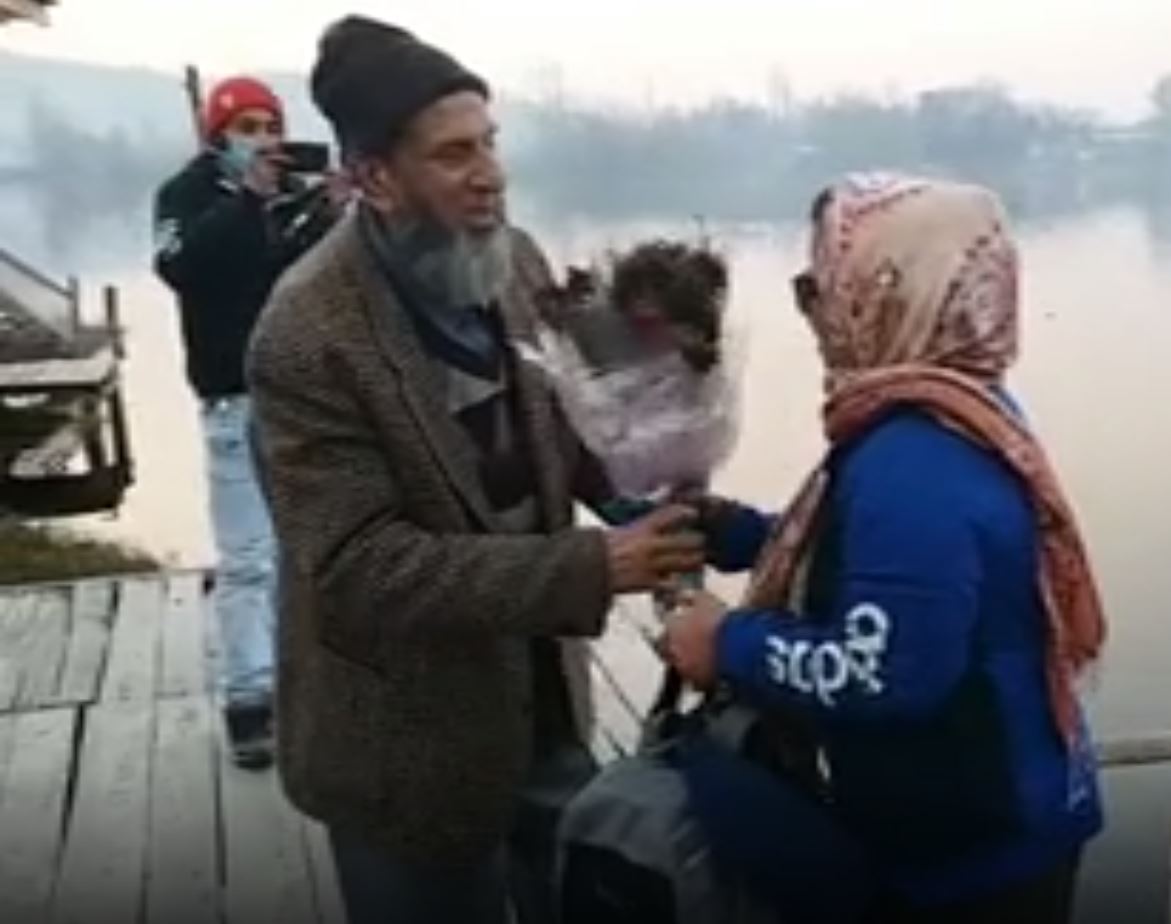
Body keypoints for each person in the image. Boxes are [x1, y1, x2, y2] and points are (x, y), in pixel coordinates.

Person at [245, 16, 704, 924]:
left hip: (543, 705)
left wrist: (638, 484)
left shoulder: (513, 261)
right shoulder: (304, 337)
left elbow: (563, 423)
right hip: (399, 748)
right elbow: (358, 567)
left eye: (490, 143)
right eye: (454, 155)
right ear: (376, 177)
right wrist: (593, 565)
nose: (490, 174)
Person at [664, 175, 1107, 924]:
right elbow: (898, 575)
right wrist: (746, 536)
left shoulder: (915, 458)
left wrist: (726, 643)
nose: (811, 312)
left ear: (886, 290)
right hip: (1006, 808)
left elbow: (889, 669)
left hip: (973, 856)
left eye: (820, 286)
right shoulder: (960, 407)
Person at [153, 75, 341, 769]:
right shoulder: (186, 195)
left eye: (271, 125)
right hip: (232, 399)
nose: (262, 139)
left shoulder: (292, 194)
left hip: (302, 397)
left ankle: (307, 687)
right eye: (248, 125)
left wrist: (333, 213)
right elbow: (181, 267)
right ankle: (249, 699)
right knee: (246, 561)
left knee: (312, 550)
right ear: (217, 132)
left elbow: (315, 276)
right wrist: (249, 201)